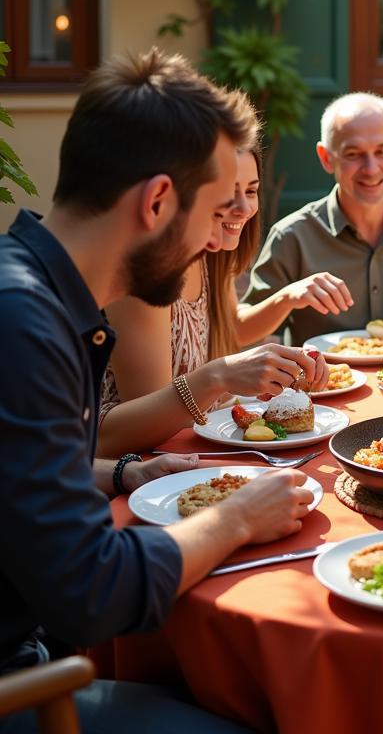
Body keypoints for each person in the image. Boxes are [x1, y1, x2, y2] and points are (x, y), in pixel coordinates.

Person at [0, 51, 315, 733]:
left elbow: (18, 475)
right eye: (214, 210)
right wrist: (238, 517)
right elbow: (95, 592)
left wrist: (129, 471)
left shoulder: (41, 296)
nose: (216, 235)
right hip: (23, 683)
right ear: (157, 202)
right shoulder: (25, 326)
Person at [97, 144, 328, 458]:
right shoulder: (147, 273)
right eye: (227, 191)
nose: (244, 207)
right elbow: (151, 430)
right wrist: (221, 376)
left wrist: (273, 359)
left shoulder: (211, 255)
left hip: (196, 449)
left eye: (251, 190)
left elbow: (227, 325)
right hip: (132, 471)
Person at [241, 91, 383, 346]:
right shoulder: (292, 236)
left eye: (382, 151)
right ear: (327, 158)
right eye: (353, 154)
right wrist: (286, 298)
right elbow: (241, 332)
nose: (371, 169)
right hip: (326, 384)